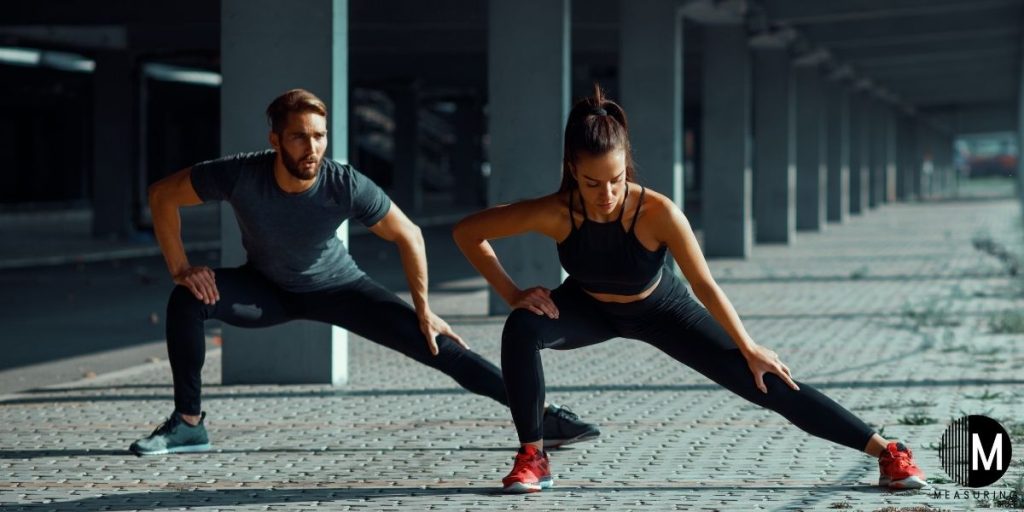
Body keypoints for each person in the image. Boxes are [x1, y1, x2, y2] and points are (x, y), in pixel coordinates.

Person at [452, 85, 928, 493]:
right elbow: (467, 233)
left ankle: (888, 451)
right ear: (573, 169)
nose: (607, 194)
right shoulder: (556, 211)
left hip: (664, 311)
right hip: (590, 307)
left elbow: (704, 283)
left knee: (764, 380)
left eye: (616, 180)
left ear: (627, 167)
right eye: (594, 182)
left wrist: (749, 346)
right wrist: (513, 292)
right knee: (520, 328)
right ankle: (533, 457)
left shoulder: (658, 213)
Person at [130, 88, 599, 456]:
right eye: (298, 136)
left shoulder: (343, 183)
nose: (311, 147)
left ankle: (543, 416)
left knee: (438, 345)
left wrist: (424, 310)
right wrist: (181, 267)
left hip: (342, 289)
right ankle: (189, 426)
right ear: (275, 139)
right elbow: (162, 195)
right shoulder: (240, 175)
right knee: (187, 300)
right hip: (266, 288)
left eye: (319, 135)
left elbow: (409, 234)